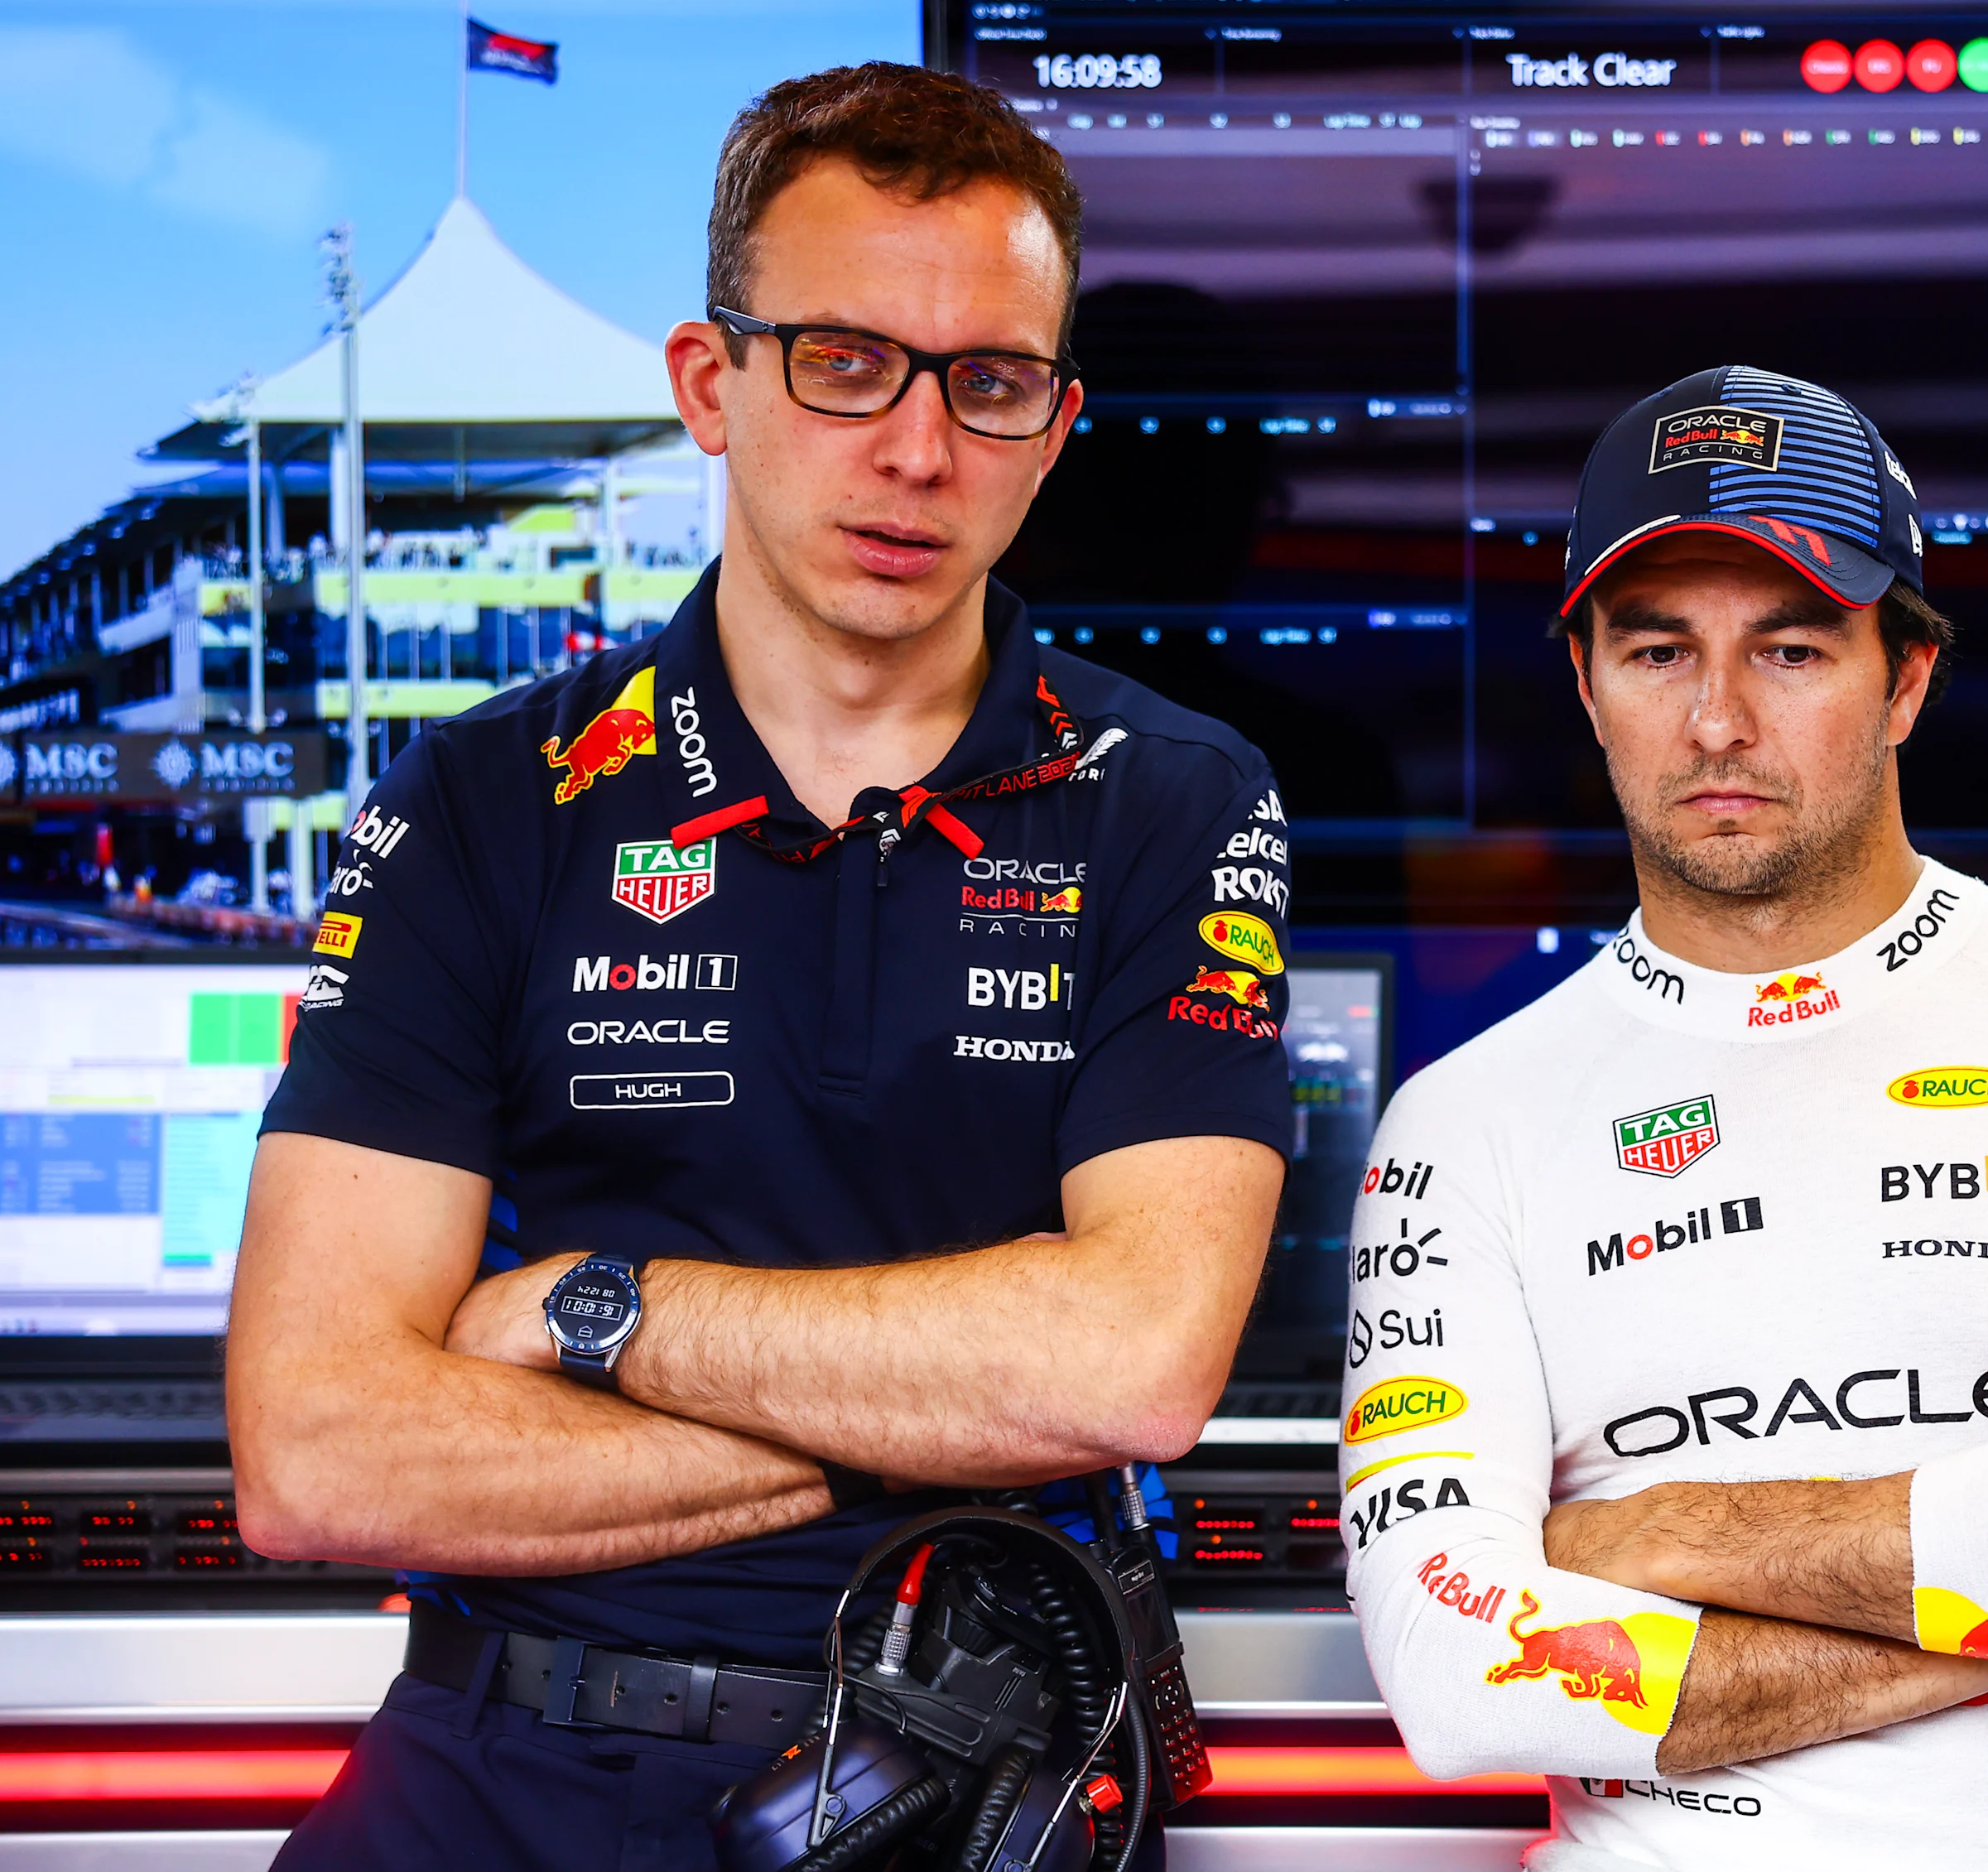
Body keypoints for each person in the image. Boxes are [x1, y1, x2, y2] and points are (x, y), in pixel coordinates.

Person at [228, 64, 1295, 1869]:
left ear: (1054, 426)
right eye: (845, 361)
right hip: (501, 1766)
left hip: (961, 1781)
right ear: (710, 384)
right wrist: (940, 1423)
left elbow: (1132, 1366)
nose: (918, 450)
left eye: (989, 382)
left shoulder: (1171, 796)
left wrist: (599, 1310)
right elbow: (318, 1448)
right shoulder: (485, 801)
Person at [1342, 367, 1988, 1868]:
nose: (1718, 721)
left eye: (1789, 649)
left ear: (1906, 679)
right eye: (1658, 651)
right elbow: (1458, 1680)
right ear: (1587, 684)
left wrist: (1650, 1536)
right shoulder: (1461, 1124)